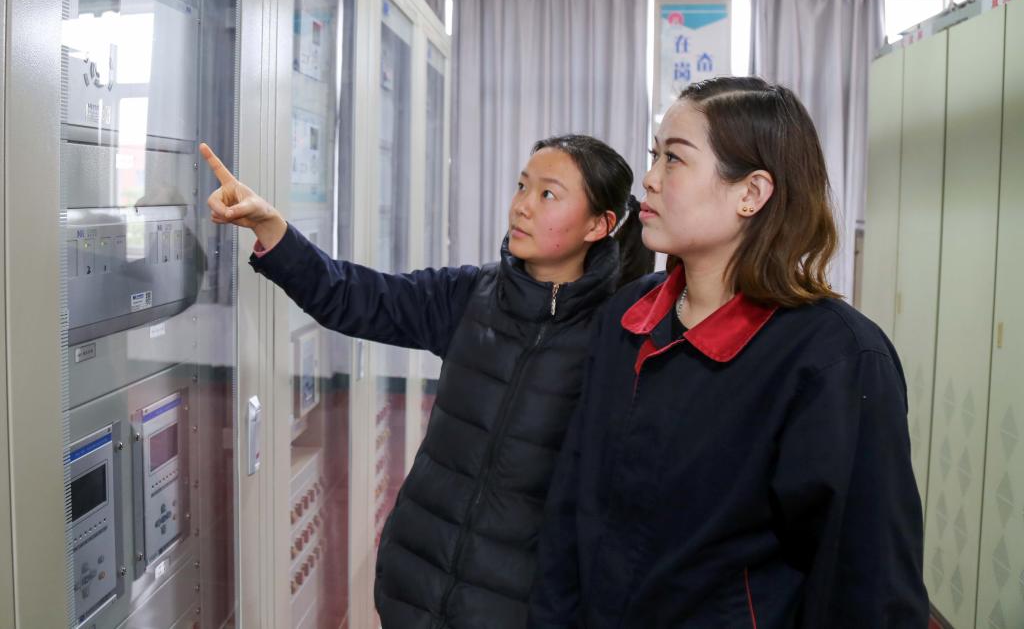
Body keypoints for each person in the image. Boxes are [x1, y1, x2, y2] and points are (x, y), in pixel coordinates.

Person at [200, 134, 652, 629]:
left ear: (598, 224)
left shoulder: (619, 335)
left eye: (547, 194)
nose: (521, 205)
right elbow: (352, 295)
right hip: (413, 584)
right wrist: (270, 226)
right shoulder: (471, 295)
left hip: (517, 608)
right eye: (522, 186)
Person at [528, 77, 929, 629]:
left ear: (751, 193)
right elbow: (572, 508)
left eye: (674, 159)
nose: (649, 179)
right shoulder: (628, 317)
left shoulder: (834, 360)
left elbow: (868, 587)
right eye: (654, 155)